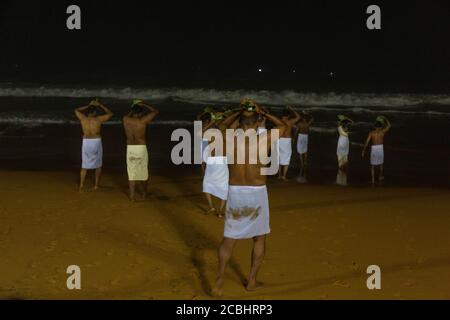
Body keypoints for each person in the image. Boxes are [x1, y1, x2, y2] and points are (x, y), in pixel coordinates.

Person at [212, 98, 286, 297]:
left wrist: (238, 111)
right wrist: (263, 111)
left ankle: (219, 277)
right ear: (257, 121)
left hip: (235, 192)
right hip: (257, 192)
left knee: (229, 239)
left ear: (241, 122)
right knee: (259, 238)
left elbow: (221, 124)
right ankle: (251, 281)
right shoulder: (266, 138)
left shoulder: (229, 138)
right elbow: (283, 125)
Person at [123, 100, 159, 201]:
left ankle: (132, 197)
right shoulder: (142, 121)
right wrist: (144, 104)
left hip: (130, 148)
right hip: (141, 148)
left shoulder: (125, 119)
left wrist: (133, 107)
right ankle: (144, 193)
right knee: (143, 172)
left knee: (132, 173)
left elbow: (128, 115)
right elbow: (155, 111)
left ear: (132, 111)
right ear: (140, 113)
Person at [75, 98, 113, 192]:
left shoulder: (83, 119)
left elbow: (76, 110)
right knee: (98, 164)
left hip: (86, 142)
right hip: (96, 141)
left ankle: (81, 186)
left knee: (84, 165)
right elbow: (110, 113)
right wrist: (100, 105)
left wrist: (89, 105)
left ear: (87, 112)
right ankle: (96, 185)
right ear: (95, 112)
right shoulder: (98, 119)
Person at [202, 110, 229, 217]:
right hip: (213, 161)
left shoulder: (223, 132)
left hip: (220, 160)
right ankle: (213, 208)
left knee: (221, 186)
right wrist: (213, 121)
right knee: (207, 185)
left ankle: (219, 210)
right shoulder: (211, 133)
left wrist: (215, 121)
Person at [362, 116, 391, 185]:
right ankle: (380, 177)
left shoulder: (371, 133)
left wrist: (363, 150)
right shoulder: (382, 132)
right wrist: (385, 119)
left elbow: (366, 142)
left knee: (372, 165)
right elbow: (389, 125)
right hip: (380, 148)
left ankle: (373, 180)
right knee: (381, 164)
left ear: (374, 126)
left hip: (374, 149)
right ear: (380, 127)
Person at [277, 106, 301, 181]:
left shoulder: (278, 121)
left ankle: (279, 175)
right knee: (286, 158)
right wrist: (292, 109)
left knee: (279, 157)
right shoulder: (290, 121)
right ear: (288, 115)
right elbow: (298, 117)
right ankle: (284, 176)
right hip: (287, 141)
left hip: (279, 139)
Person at [295, 112, 314, 183]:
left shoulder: (300, 124)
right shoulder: (307, 124)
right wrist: (308, 114)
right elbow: (312, 118)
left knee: (300, 150)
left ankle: (302, 163)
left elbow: (297, 130)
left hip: (301, 136)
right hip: (306, 136)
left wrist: (294, 137)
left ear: (302, 119)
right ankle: (305, 162)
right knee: (305, 150)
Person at [336, 115, 353, 186]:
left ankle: (342, 174)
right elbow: (351, 122)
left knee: (344, 161)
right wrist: (346, 118)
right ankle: (342, 174)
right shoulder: (343, 131)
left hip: (343, 147)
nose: (347, 128)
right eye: (346, 127)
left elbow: (351, 122)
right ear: (344, 127)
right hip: (342, 147)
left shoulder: (340, 129)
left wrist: (345, 118)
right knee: (342, 161)